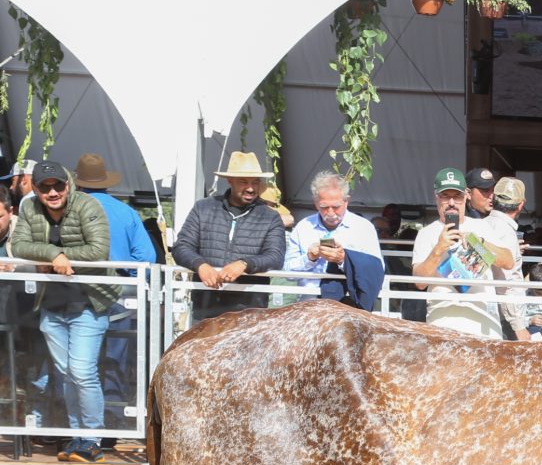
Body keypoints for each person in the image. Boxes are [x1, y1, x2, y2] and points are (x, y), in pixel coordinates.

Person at [10, 161, 119, 464]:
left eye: (58, 185)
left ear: (69, 184)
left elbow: (99, 250)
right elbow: (19, 245)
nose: (53, 191)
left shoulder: (88, 206)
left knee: (82, 372)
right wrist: (52, 254)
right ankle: (77, 437)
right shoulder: (29, 207)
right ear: (36, 188)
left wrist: (60, 257)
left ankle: (92, 439)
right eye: (45, 186)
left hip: (89, 303)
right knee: (67, 375)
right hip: (51, 304)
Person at [73, 153, 156, 433]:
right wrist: (125, 274)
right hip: (120, 297)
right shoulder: (126, 213)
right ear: (106, 182)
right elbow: (147, 257)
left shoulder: (72, 210)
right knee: (115, 360)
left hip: (78, 295)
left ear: (77, 182)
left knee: (80, 365)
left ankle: (78, 426)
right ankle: (112, 422)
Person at [171, 151, 287, 321]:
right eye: (243, 182)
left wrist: (245, 264)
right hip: (206, 304)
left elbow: (275, 256)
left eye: (255, 182)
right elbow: (181, 246)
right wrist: (200, 265)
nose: (251, 188)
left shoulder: (270, 216)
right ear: (230, 180)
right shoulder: (204, 208)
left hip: (250, 308)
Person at [410, 166, 516, 337]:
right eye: (445, 196)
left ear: (466, 196)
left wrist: (478, 243)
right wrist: (439, 249)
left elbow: (508, 261)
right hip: (442, 323)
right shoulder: (426, 233)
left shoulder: (482, 226)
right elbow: (419, 282)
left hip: (484, 323)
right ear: (436, 197)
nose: (451, 203)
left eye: (457, 196)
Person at [284, 171, 382, 274]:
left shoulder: (363, 228)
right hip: (310, 289)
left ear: (346, 201)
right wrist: (309, 258)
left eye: (336, 207)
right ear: (316, 203)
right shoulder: (303, 227)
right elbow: (288, 272)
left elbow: (377, 270)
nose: (330, 213)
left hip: (347, 290)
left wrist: (344, 260)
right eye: (324, 207)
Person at [487, 176, 531, 340]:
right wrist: (518, 326)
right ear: (521, 204)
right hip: (504, 318)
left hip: (489, 311)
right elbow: (507, 282)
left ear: (493, 199)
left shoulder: (482, 224)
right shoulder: (507, 233)